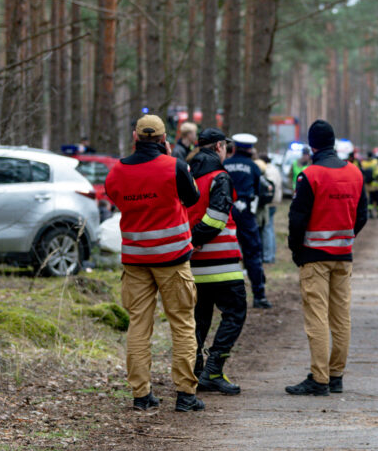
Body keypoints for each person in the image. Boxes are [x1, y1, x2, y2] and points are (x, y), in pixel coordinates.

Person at [104, 114, 205, 413]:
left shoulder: (116, 171)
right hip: (173, 259)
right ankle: (186, 394)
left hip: (135, 260)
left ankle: (141, 395)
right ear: (164, 140)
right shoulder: (174, 166)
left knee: (138, 325)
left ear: (135, 136)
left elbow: (116, 199)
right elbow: (192, 197)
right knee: (183, 324)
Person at [286, 120, 367, 396]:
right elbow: (363, 215)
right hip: (343, 256)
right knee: (341, 316)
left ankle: (319, 379)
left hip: (315, 257)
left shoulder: (310, 175)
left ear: (312, 145)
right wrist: (346, 237)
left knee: (317, 317)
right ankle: (336, 376)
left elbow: (297, 219)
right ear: (333, 143)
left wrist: (296, 249)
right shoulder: (356, 174)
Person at [187, 128, 247, 396]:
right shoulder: (220, 176)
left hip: (193, 264)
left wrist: (188, 244)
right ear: (220, 147)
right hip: (222, 265)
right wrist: (196, 239)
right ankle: (213, 369)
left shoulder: (187, 174)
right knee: (235, 314)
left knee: (199, 319)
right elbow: (216, 218)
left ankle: (196, 371)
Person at [224, 133, 272, 308]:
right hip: (246, 215)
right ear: (250, 149)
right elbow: (260, 191)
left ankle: (227, 298)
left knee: (226, 255)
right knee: (252, 254)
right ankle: (259, 295)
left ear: (234, 147)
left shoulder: (225, 165)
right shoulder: (253, 167)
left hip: (226, 215)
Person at [260, 154, 283, 263]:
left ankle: (268, 256)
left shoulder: (268, 170)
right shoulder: (274, 168)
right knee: (270, 228)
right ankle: (271, 254)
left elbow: (269, 187)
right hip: (274, 202)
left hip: (269, 203)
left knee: (267, 229)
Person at [360, 150, 378, 218]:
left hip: (368, 185)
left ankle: (370, 213)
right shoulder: (375, 163)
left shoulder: (363, 163)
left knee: (370, 199)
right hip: (377, 186)